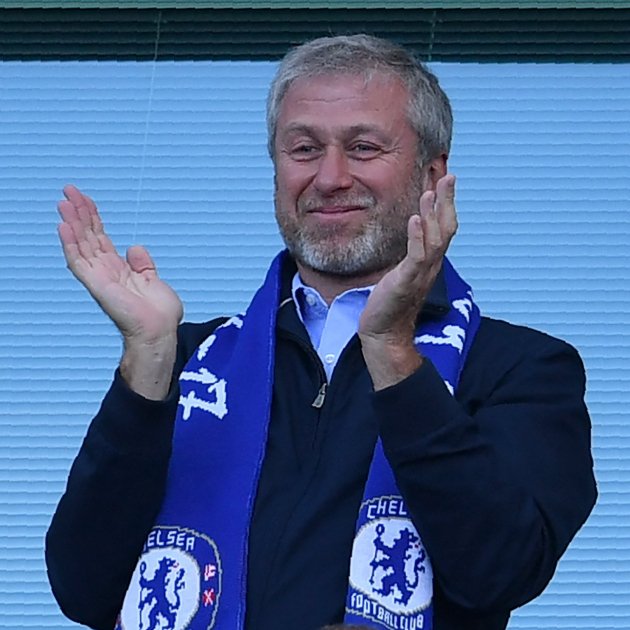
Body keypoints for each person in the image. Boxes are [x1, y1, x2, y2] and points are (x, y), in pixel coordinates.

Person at [46, 34, 596, 630]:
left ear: (432, 174)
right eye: (304, 148)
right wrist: (149, 359)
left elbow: (501, 570)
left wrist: (394, 355)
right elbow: (86, 590)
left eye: (363, 147)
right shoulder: (187, 361)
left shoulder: (520, 367)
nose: (330, 177)